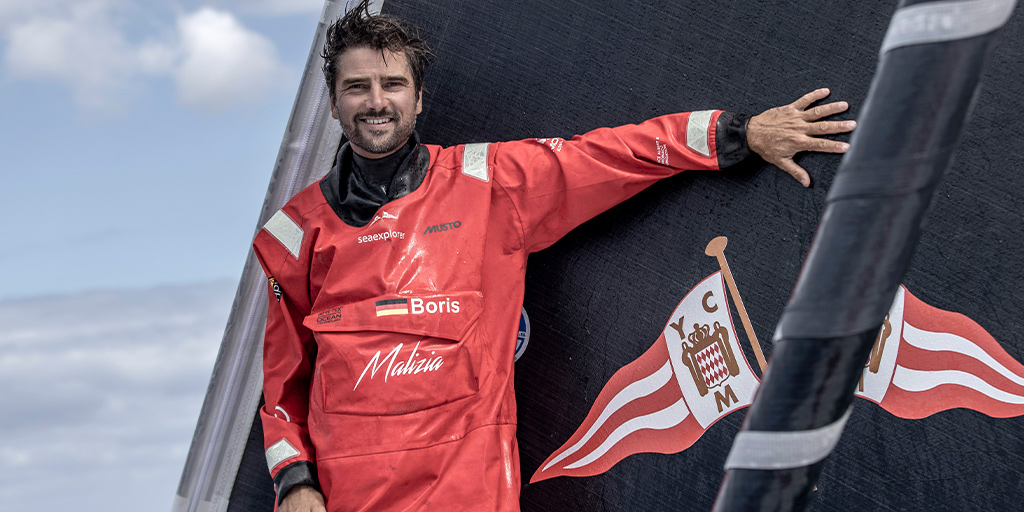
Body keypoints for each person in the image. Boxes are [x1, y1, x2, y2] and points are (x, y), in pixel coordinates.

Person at [253, 2, 856, 511]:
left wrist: (739, 134)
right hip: (344, 493)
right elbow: (282, 387)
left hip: (466, 491)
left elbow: (611, 156)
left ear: (418, 100)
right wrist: (292, 482)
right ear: (335, 104)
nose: (375, 101)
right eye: (357, 87)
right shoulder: (294, 235)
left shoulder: (488, 185)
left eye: (392, 85)